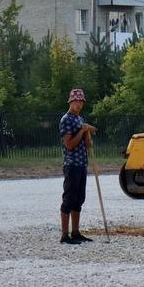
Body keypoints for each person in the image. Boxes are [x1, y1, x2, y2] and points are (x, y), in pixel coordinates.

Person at [58, 88, 96, 244]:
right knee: (69, 198)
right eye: (76, 101)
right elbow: (70, 145)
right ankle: (64, 235)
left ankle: (76, 232)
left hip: (82, 164)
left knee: (79, 199)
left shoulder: (80, 119)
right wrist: (82, 130)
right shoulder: (66, 120)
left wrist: (87, 131)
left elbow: (87, 144)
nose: (79, 104)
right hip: (71, 164)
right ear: (70, 102)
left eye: (81, 101)